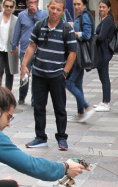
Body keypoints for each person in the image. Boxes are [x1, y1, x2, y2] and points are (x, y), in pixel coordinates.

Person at [21, 0, 77, 151]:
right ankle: (40, 137)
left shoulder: (67, 29)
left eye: (58, 9)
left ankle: (61, 138)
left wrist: (64, 72)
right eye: (52, 8)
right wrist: (24, 64)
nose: (54, 12)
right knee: (39, 107)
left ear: (63, 11)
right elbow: (32, 45)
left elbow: (73, 52)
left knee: (60, 108)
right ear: (47, 8)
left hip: (57, 76)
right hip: (39, 73)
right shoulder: (39, 25)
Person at [11, 0, 48, 105]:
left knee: (37, 77)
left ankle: (34, 99)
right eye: (30, 2)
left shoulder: (43, 14)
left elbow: (42, 26)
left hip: (39, 50)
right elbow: (17, 31)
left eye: (35, 2)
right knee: (24, 75)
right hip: (24, 50)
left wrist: (35, 14)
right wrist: (14, 45)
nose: (32, 4)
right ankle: (22, 96)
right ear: (27, 3)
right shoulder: (22, 15)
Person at [66, 0, 95, 123]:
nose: (76, 7)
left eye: (79, 4)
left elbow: (87, 35)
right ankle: (80, 113)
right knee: (77, 84)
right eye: (74, 4)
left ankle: (87, 107)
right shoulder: (81, 16)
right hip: (78, 53)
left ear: (84, 4)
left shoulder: (85, 16)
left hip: (79, 55)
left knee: (69, 83)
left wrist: (73, 32)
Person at [93, 0, 115, 112]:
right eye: (100, 7)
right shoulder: (105, 19)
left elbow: (101, 37)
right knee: (103, 77)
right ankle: (104, 101)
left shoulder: (107, 20)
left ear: (109, 8)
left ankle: (106, 102)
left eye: (103, 7)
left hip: (104, 52)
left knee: (104, 77)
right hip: (102, 51)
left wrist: (92, 37)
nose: (101, 9)